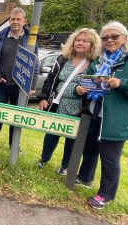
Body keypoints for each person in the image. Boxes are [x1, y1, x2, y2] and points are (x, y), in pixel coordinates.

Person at [75, 21, 128, 209]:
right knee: (89, 150)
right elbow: (90, 83)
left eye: (114, 36)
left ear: (124, 38)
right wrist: (80, 89)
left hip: (115, 120)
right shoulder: (99, 61)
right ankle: (85, 178)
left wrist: (123, 84)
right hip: (94, 113)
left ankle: (105, 195)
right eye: (106, 37)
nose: (109, 40)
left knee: (109, 158)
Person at [36, 28, 100, 176]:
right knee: (52, 132)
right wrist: (44, 97)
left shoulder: (95, 64)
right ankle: (44, 159)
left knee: (72, 138)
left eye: (85, 41)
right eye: (78, 40)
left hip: (79, 107)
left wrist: (83, 91)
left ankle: (65, 165)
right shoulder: (63, 58)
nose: (80, 43)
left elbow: (98, 87)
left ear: (92, 44)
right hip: (58, 103)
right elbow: (51, 79)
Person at [0, 7, 39, 151]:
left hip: (20, 87)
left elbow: (35, 63)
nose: (15, 22)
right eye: (12, 19)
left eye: (18, 19)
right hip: (2, 84)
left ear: (24, 21)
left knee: (17, 118)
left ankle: (13, 144)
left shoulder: (31, 40)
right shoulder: (1, 38)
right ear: (9, 20)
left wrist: (31, 85)